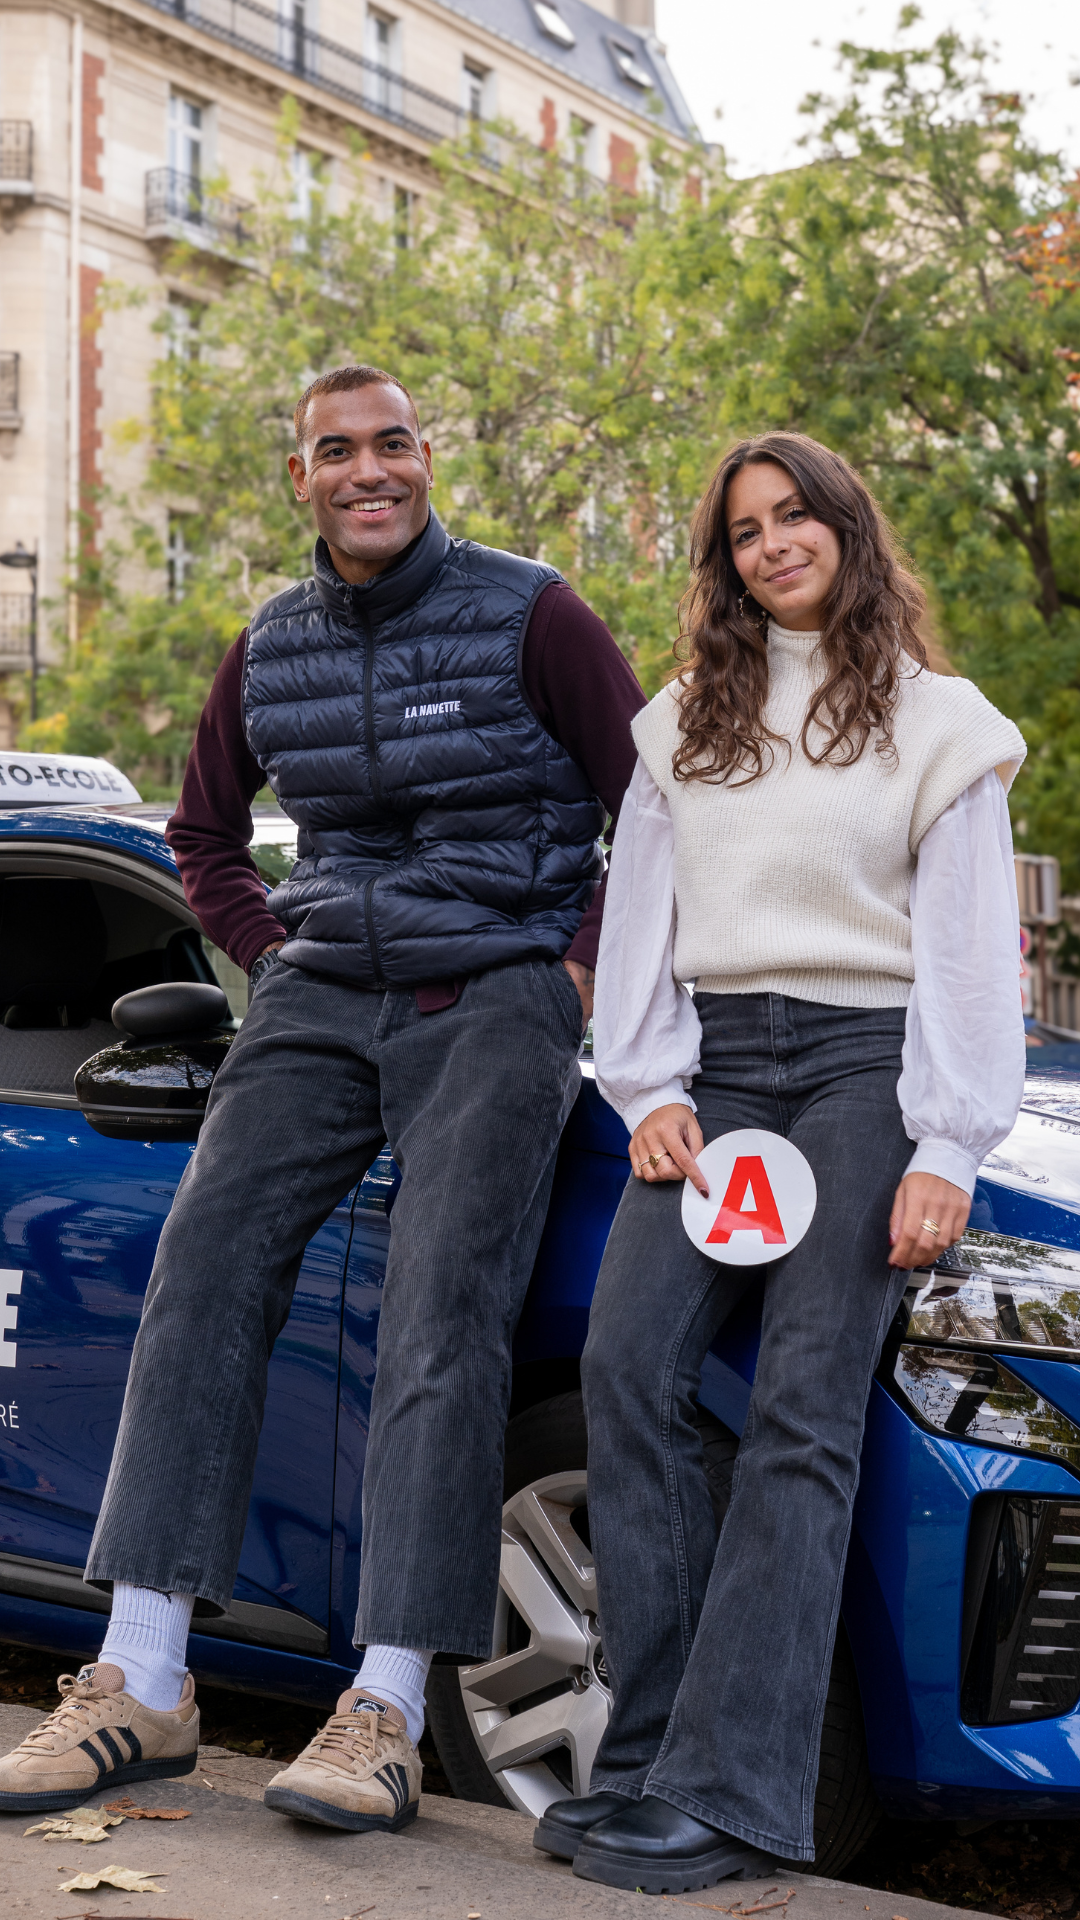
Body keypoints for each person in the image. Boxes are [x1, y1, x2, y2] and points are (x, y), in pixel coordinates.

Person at [0, 365, 645, 1830]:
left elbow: (651, 805)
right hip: (319, 991)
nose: (370, 470)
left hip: (494, 993)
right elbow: (203, 834)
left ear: (429, 459)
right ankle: (143, 1680)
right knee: (203, 1269)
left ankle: (386, 1708)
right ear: (299, 477)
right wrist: (270, 950)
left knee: (439, 1316)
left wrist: (578, 972)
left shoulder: (532, 611)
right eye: (337, 451)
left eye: (394, 443)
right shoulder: (269, 643)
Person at [532, 432, 1027, 1894]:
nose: (772, 542)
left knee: (806, 1409)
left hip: (868, 1070)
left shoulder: (941, 726)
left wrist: (947, 1139)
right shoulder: (686, 723)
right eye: (744, 530)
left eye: (795, 513)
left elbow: (965, 955)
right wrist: (647, 1091)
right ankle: (650, 1763)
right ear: (724, 564)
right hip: (724, 1077)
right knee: (628, 1367)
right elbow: (640, 928)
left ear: (846, 529)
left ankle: (738, 1797)